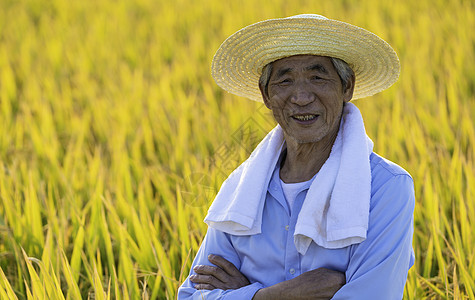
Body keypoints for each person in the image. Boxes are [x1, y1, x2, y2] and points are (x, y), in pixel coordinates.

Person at [177, 14, 415, 299]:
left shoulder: (387, 188)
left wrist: (243, 293)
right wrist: (275, 295)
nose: (301, 97)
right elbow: (191, 295)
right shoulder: (242, 188)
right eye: (284, 81)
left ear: (347, 87)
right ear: (266, 95)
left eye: (317, 77)